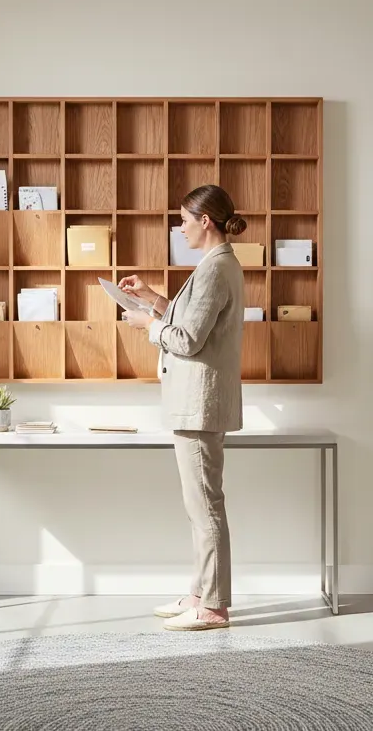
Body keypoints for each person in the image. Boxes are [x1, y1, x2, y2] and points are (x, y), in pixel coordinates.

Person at [119, 184, 247, 631]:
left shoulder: (215, 269)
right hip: (196, 403)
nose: (181, 227)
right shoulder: (216, 265)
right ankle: (200, 593)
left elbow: (187, 340)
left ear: (205, 221)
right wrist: (152, 298)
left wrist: (148, 325)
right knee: (200, 505)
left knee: (205, 505)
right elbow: (192, 321)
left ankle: (213, 608)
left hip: (199, 404)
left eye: (185, 220)